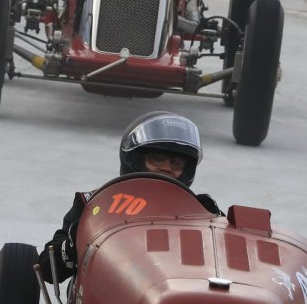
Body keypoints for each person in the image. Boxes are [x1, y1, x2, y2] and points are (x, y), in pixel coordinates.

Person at [38, 111, 221, 281]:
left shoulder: (202, 210)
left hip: (175, 288)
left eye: (176, 163)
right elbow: (48, 270)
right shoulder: (94, 204)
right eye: (157, 159)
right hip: (107, 286)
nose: (166, 168)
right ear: (135, 158)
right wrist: (77, 240)